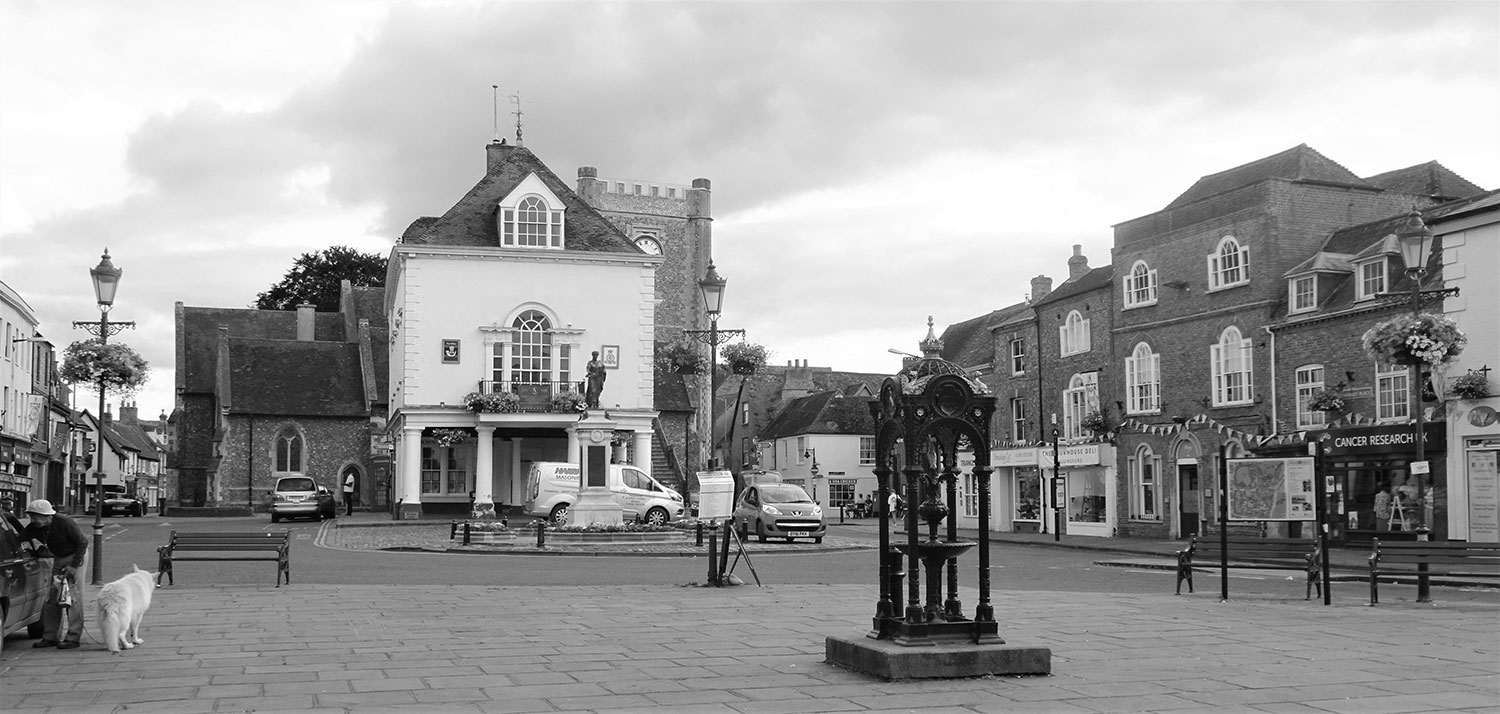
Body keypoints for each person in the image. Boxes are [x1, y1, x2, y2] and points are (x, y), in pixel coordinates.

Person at [19, 499, 88, 650]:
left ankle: (73, 637)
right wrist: (33, 551)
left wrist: (74, 566)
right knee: (53, 597)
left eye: (36, 516)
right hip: (58, 558)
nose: (33, 520)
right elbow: (22, 540)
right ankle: (51, 637)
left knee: (73, 598)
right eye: (31, 516)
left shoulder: (64, 523)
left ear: (47, 516)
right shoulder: (34, 527)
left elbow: (82, 543)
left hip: (75, 556)